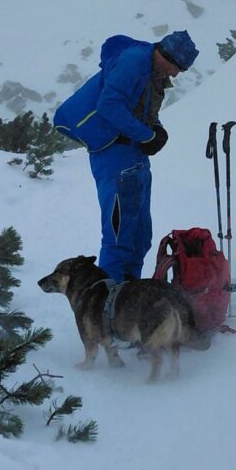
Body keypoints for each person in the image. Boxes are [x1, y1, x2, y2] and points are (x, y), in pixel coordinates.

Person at [54, 30, 199, 282]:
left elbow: (139, 108)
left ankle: (129, 298)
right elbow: (109, 105)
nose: (176, 74)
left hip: (134, 155)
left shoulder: (152, 70)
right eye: (178, 68)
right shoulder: (134, 61)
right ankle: (108, 309)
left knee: (140, 236)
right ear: (167, 55)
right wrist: (146, 136)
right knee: (120, 236)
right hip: (113, 155)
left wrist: (156, 130)